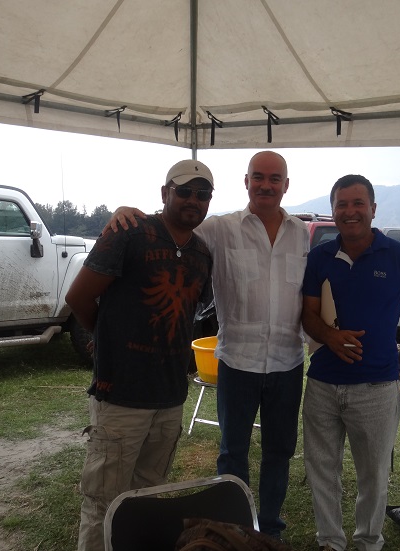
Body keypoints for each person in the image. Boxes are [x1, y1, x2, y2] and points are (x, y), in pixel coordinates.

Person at [105, 151, 310, 540]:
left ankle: (269, 531)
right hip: (237, 362)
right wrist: (128, 214)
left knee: (280, 451)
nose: (266, 185)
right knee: (232, 453)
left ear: (286, 185)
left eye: (275, 178)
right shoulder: (220, 228)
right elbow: (171, 226)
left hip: (287, 362)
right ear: (246, 182)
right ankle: (234, 530)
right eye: (258, 177)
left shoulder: (301, 233)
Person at [66, 159, 214, 551]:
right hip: (121, 395)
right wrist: (106, 336)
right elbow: (78, 297)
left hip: (169, 397)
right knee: (103, 502)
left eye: (202, 194)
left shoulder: (202, 253)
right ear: (165, 193)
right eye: (184, 191)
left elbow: (189, 315)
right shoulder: (130, 232)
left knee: (147, 496)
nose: (193, 200)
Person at [301, 174, 400, 551]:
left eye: (358, 203)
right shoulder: (319, 257)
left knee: (374, 475)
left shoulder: (398, 254)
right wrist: (329, 336)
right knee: (321, 470)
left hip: (377, 386)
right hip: (322, 384)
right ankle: (330, 541)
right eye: (342, 204)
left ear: (373, 209)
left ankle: (368, 541)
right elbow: (308, 315)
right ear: (333, 211)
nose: (350, 211)